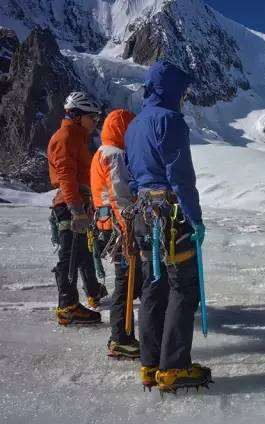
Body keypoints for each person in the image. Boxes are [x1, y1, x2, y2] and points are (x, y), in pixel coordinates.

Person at [125, 60, 211, 392]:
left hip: (144, 215)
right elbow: (181, 177)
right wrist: (195, 218)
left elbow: (133, 178)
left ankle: (149, 364)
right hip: (172, 218)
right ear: (172, 90)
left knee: (152, 288)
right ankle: (174, 366)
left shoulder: (133, 126)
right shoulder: (171, 121)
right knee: (183, 287)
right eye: (183, 90)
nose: (185, 96)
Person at [48, 91, 108, 326]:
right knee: (70, 255)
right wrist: (76, 210)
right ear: (77, 115)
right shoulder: (67, 137)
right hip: (69, 205)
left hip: (78, 204)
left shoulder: (76, 136)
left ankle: (90, 291)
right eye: (92, 117)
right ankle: (68, 306)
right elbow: (65, 176)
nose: (95, 122)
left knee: (81, 252)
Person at [90, 108, 143, 358]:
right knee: (125, 283)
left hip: (107, 228)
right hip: (120, 230)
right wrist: (129, 230)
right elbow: (120, 196)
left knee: (130, 280)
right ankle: (120, 338)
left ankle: (124, 333)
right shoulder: (116, 155)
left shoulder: (101, 152)